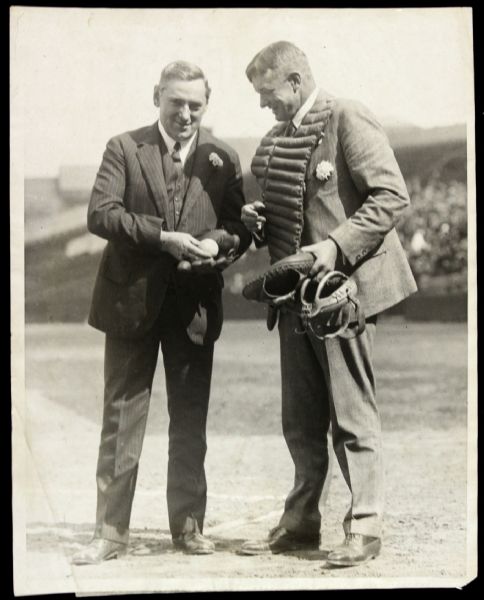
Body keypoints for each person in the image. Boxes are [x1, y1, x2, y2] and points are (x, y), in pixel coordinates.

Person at [240, 41, 417, 566]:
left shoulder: (346, 116)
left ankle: (365, 525)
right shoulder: (279, 138)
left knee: (351, 411)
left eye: (269, 93)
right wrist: (256, 221)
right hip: (297, 301)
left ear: (295, 82)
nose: (264, 104)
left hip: (346, 294)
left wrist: (336, 246)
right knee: (300, 418)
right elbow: (291, 215)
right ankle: (300, 523)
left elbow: (391, 196)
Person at [72, 61, 251, 565]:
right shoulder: (125, 148)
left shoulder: (224, 157)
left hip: (193, 307)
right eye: (177, 103)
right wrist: (162, 238)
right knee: (121, 421)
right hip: (129, 305)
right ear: (157, 97)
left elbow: (238, 225)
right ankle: (110, 533)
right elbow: (100, 213)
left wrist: (216, 244)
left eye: (196, 104)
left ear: (206, 105)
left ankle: (189, 529)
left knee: (189, 422)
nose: (186, 114)